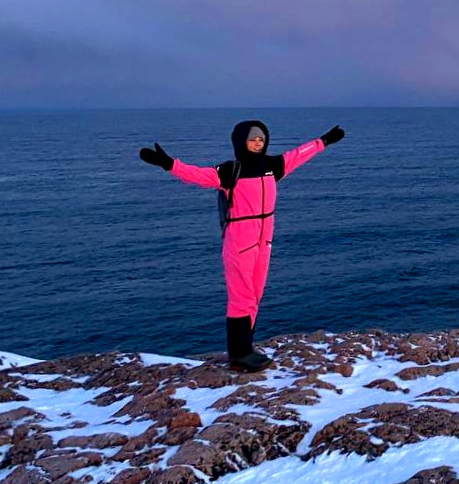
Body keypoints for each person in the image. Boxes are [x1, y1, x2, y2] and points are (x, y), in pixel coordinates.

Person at [139, 119, 345, 371]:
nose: (258, 142)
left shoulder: (272, 166)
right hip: (239, 241)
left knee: (255, 296)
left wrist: (323, 141)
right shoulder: (230, 171)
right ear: (241, 141)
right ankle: (238, 355)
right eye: (253, 138)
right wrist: (169, 164)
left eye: (261, 138)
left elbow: (298, 154)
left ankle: (246, 348)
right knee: (241, 297)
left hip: (264, 240)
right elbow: (197, 175)